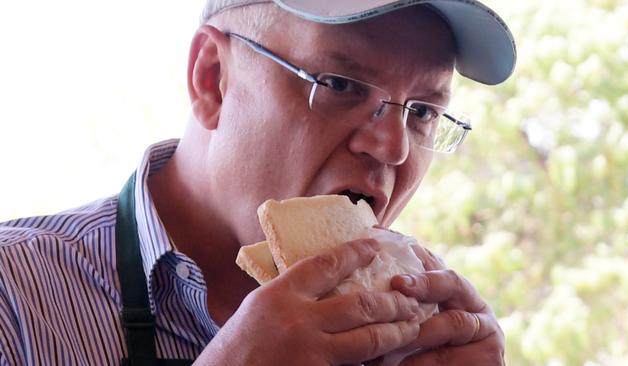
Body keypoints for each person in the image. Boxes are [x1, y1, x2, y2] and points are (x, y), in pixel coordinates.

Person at [0, 0, 516, 365]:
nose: (393, 147)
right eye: (339, 84)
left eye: (423, 112)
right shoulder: (15, 293)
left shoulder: (414, 345)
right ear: (212, 79)